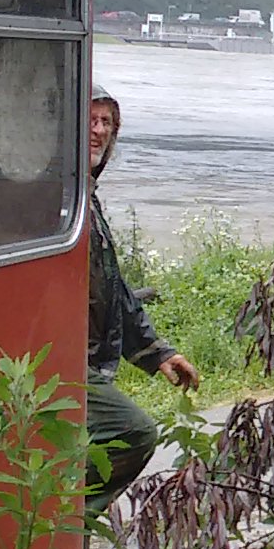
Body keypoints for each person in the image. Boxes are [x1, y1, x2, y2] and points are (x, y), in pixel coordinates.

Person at [86, 92, 200, 507]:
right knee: (133, 431)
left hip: (88, 362)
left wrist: (157, 354)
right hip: (58, 360)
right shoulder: (55, 198)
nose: (98, 131)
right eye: (91, 120)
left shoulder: (86, 199)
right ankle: (58, 521)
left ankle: (58, 526)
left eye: (107, 124)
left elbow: (111, 289)